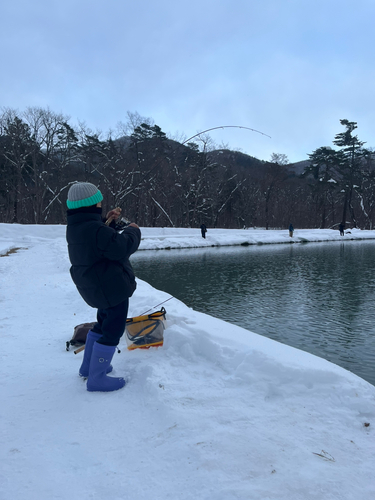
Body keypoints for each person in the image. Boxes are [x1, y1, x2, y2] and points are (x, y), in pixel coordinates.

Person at [66, 182, 141, 392]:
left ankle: (89, 368)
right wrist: (133, 232)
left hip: (98, 287)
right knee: (112, 330)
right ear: (92, 204)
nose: (101, 202)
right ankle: (97, 379)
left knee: (101, 324)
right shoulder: (95, 229)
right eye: (98, 200)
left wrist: (106, 222)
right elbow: (120, 247)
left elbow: (98, 242)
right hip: (111, 288)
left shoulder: (78, 226)